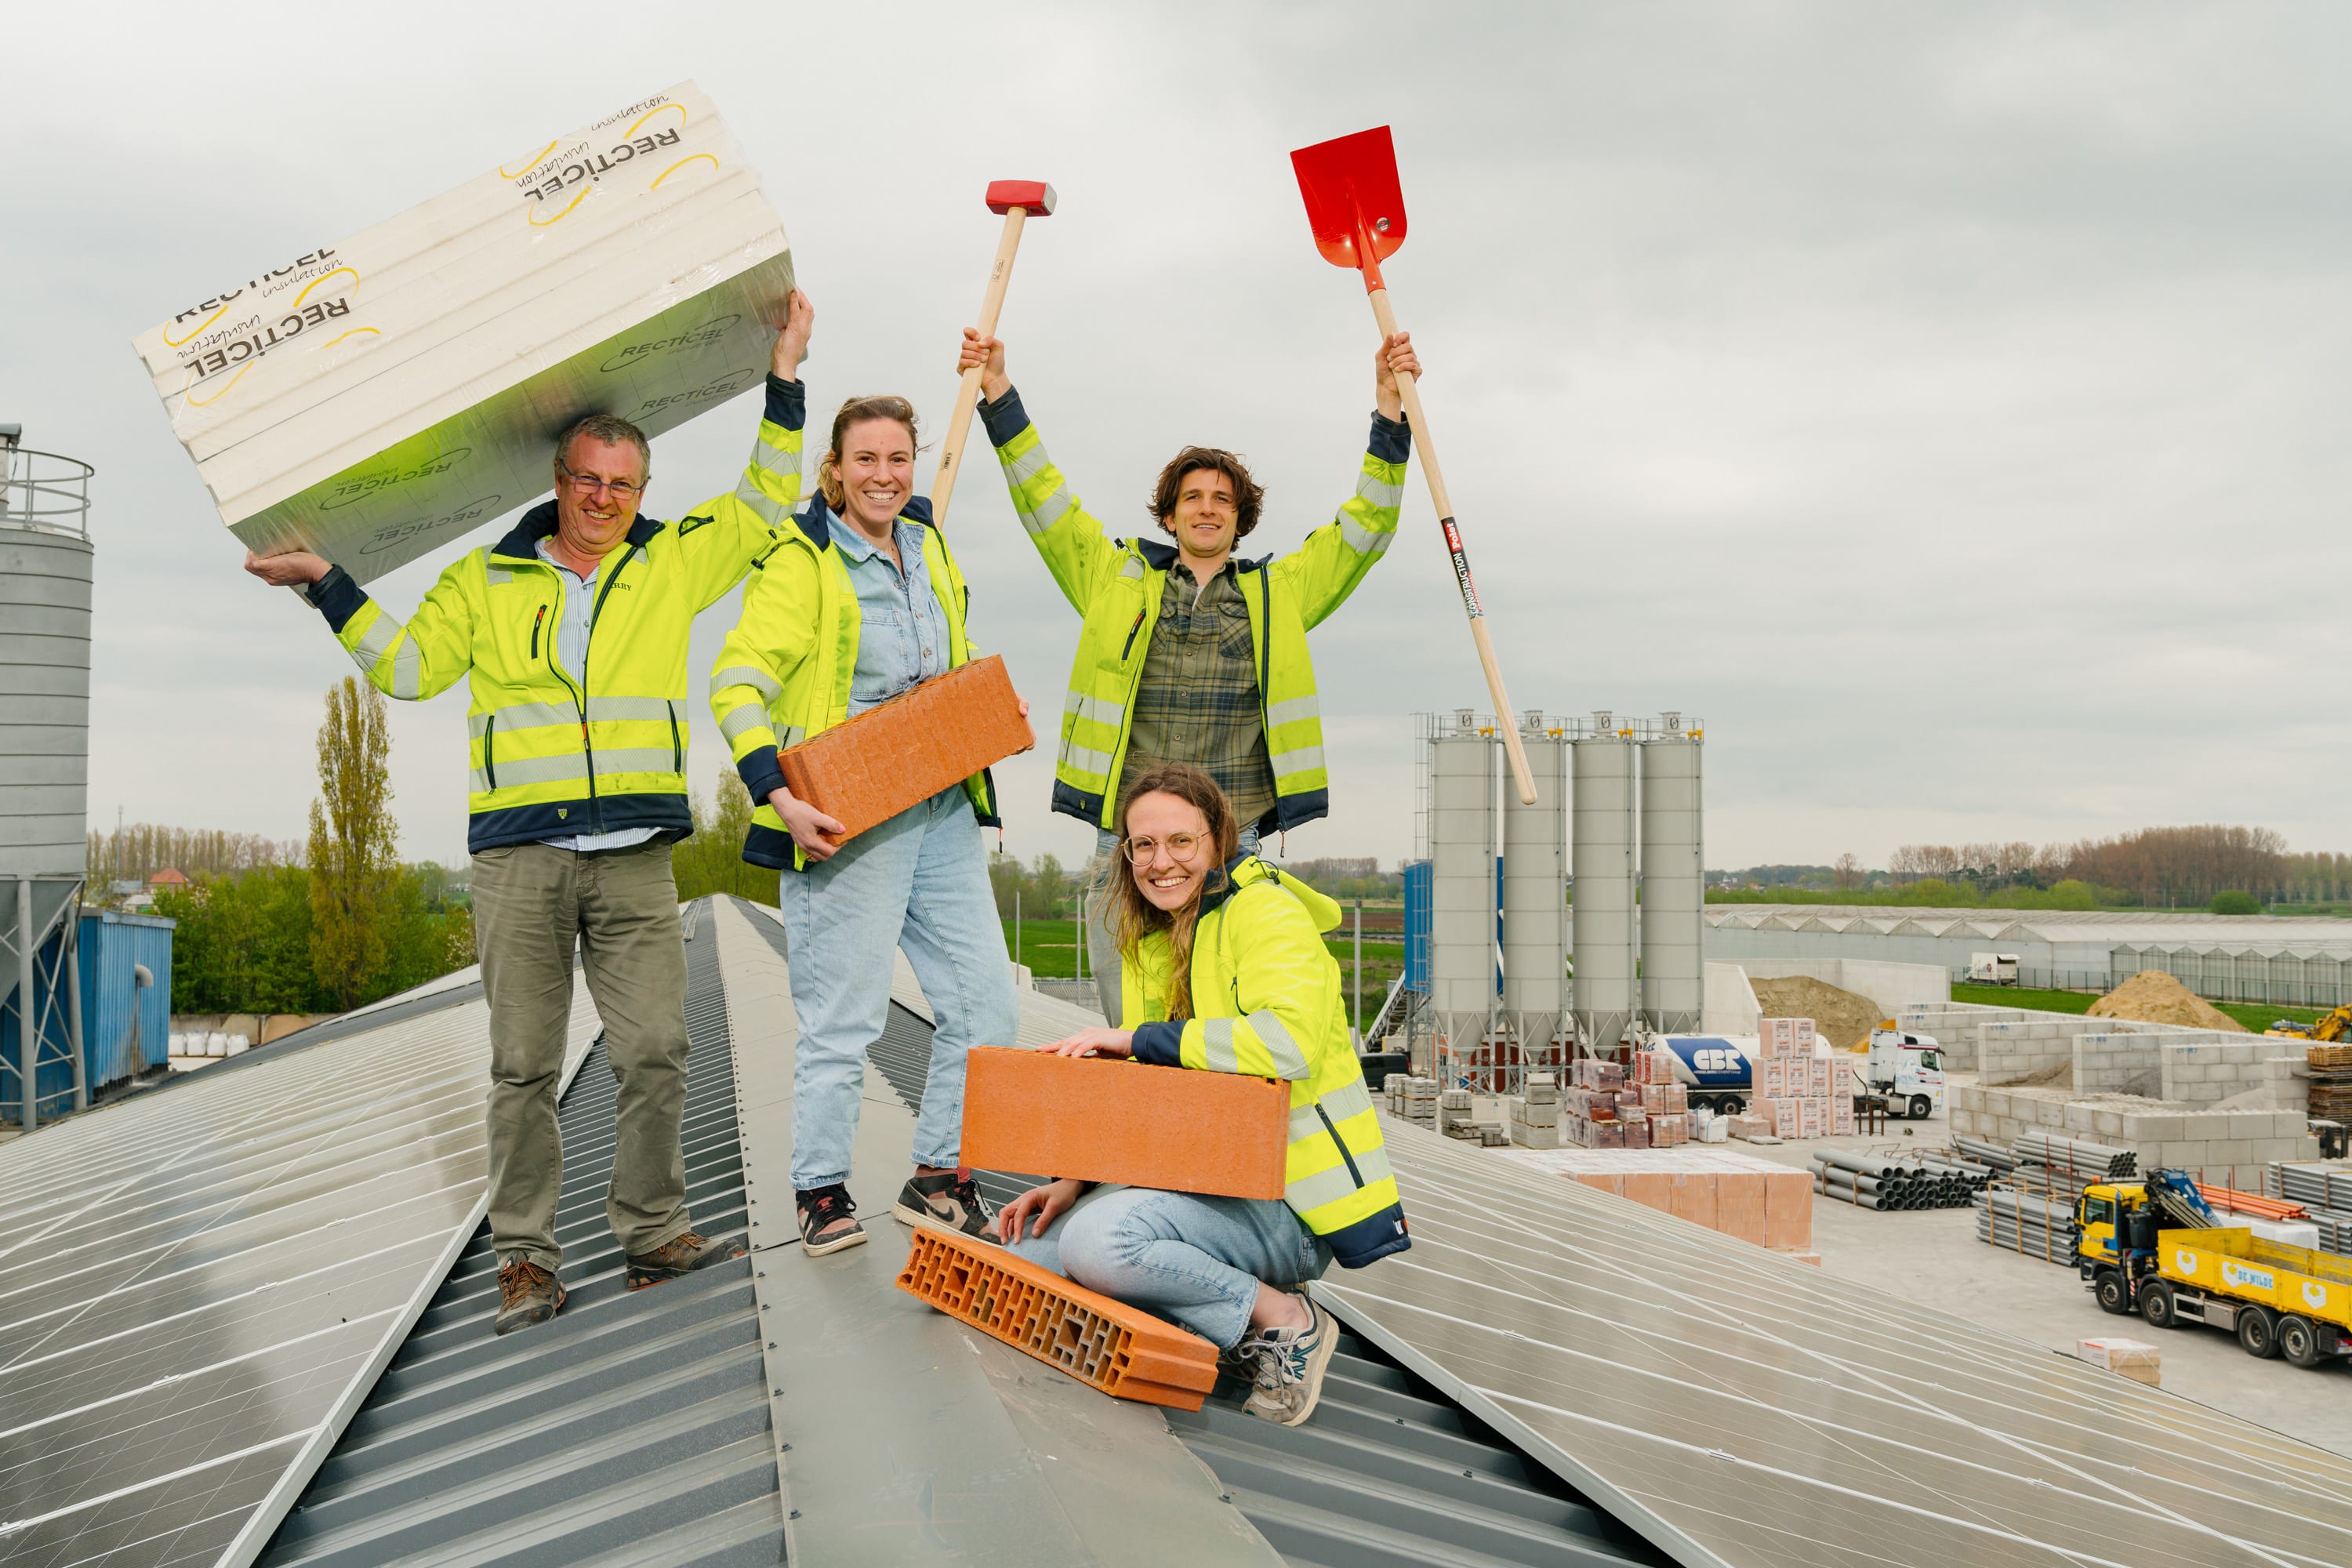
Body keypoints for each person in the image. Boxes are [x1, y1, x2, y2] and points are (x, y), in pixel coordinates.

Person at [242, 291, 819, 1335]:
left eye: (622, 484)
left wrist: (784, 377)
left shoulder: (673, 560)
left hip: (637, 855)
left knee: (655, 1050)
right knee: (523, 1067)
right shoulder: (488, 577)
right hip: (521, 861)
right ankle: (526, 1263)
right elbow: (412, 670)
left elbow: (768, 501)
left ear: (643, 489)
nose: (603, 498)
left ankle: (653, 1235)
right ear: (556, 483)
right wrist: (329, 586)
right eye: (587, 480)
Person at [959, 328, 1417, 1022]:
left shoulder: (1278, 595)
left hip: (1233, 843)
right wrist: (997, 391)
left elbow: (1364, 530)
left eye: (1223, 500)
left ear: (1241, 520)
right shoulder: (1113, 579)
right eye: (1194, 497)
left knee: (1220, 1024)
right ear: (1169, 514)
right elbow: (1045, 504)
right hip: (1128, 839)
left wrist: (1390, 413)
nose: (1207, 508)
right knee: (1134, 1029)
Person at [991, 762, 1410, 1427]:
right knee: (1022, 1256)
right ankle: (1221, 1321)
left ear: (1218, 839)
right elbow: (1151, 1099)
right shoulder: (1156, 939)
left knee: (1101, 1248)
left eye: (1181, 842)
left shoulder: (1266, 914)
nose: (1162, 862)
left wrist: (1142, 1040)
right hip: (1210, 1186)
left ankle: (1285, 1318)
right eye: (1144, 846)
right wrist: (1074, 1181)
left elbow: (1289, 1043)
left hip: (1291, 1206)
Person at [708, 382, 1022, 1258]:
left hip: (943, 808)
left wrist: (982, 708)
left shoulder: (928, 544)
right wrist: (779, 792)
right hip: (850, 820)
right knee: (845, 1020)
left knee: (987, 1003)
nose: (883, 476)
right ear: (835, 471)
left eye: (897, 458)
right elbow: (735, 683)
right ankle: (819, 1187)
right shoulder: (799, 561)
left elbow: (945, 665)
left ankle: (938, 1177)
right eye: (865, 461)